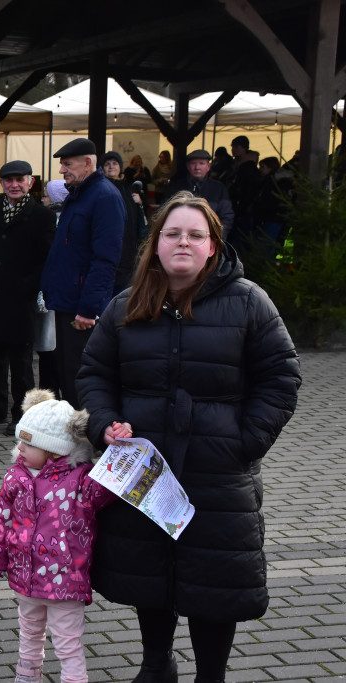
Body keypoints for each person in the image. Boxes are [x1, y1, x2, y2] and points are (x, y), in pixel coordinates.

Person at [76, 192, 301, 683]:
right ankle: (157, 665)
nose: (183, 241)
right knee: (151, 572)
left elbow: (281, 378)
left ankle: (210, 676)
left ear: (213, 248)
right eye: (172, 233)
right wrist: (103, 423)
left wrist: (245, 443)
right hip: (143, 470)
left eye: (195, 235)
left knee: (213, 580)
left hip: (217, 471)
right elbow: (94, 374)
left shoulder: (248, 302)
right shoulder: (125, 304)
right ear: (155, 245)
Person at [0, 389, 113, 683]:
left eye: (28, 442)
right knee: (29, 631)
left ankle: (74, 679)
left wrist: (123, 456)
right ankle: (27, 676)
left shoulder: (81, 481)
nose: (19, 448)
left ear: (54, 449)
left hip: (65, 580)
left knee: (67, 641)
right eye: (19, 441)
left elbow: (109, 488)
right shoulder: (16, 476)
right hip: (25, 576)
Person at [0, 160, 54, 434]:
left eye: (20, 180)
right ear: (1, 183)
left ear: (30, 182)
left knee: (21, 365)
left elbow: (47, 259)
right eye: (8, 180)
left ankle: (22, 416)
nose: (14, 185)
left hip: (19, 301)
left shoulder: (42, 216)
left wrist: (28, 286)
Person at [39, 138, 124, 409]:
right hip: (66, 302)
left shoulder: (104, 196)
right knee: (67, 372)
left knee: (80, 376)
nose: (62, 171)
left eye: (67, 164)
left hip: (81, 308)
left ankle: (89, 435)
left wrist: (89, 309)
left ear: (88, 163)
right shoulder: (80, 194)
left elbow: (105, 260)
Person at [100, 150, 145, 294]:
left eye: (114, 163)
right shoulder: (100, 189)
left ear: (120, 167)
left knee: (123, 293)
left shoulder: (129, 188)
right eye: (107, 164)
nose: (111, 166)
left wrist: (140, 202)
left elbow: (140, 219)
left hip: (128, 247)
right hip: (106, 246)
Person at [165, 149, 233, 233]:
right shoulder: (176, 187)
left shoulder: (219, 188)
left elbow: (227, 217)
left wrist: (218, 237)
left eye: (201, 163)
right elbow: (164, 212)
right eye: (193, 163)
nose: (197, 167)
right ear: (188, 166)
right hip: (180, 236)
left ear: (208, 167)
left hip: (208, 237)